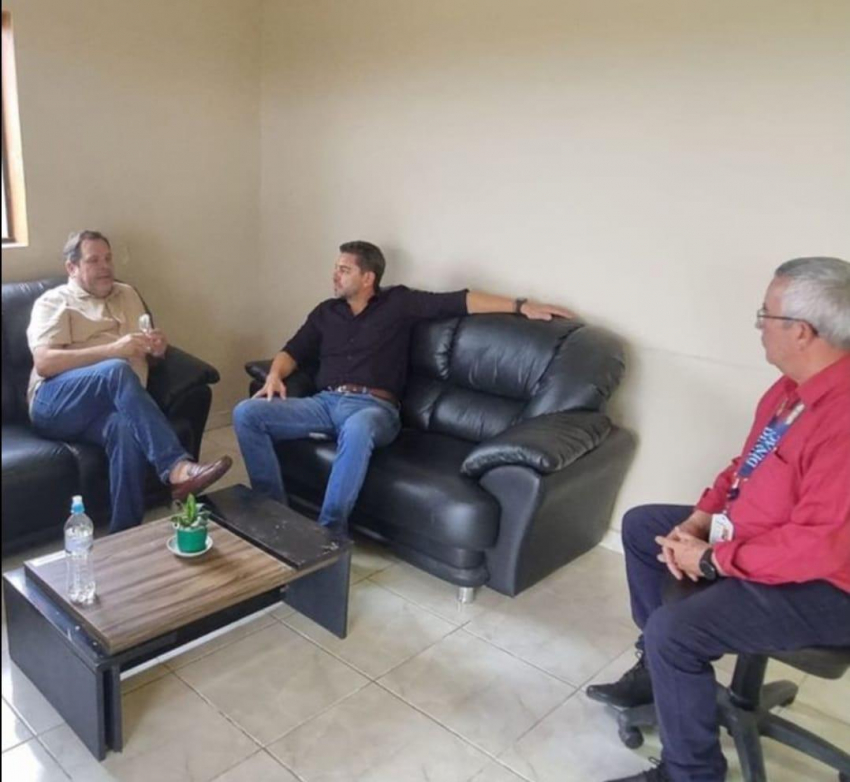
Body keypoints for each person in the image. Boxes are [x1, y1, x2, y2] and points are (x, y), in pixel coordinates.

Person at [587, 257, 850, 782]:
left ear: (801, 331)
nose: (759, 325)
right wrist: (703, 517)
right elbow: (746, 465)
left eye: (766, 314)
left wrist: (713, 560)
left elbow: (819, 546)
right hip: (766, 536)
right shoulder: (791, 390)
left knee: (675, 632)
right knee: (643, 528)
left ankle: (691, 773)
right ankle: (658, 673)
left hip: (827, 584)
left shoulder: (842, 420)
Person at [233, 240, 573, 537]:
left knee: (357, 427)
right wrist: (275, 376)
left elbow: (461, 301)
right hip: (323, 403)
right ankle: (272, 514)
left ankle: (329, 532)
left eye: (344, 270)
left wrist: (521, 306)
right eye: (336, 268)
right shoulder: (326, 312)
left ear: (368, 278)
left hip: (373, 409)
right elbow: (292, 350)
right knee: (247, 413)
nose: (335, 275)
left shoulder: (399, 303)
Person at [27, 230, 232, 533]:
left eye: (108, 259)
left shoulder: (128, 295)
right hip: (55, 403)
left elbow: (143, 352)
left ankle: (125, 531)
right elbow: (45, 363)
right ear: (72, 268)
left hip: (109, 403)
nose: (105, 267)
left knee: (125, 428)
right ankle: (176, 467)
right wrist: (113, 351)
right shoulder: (54, 302)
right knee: (116, 369)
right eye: (93, 260)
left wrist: (157, 351)